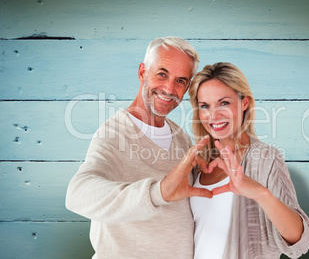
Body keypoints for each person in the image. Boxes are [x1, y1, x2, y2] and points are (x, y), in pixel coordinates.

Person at [65, 36, 213, 259]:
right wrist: (158, 191)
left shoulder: (181, 138)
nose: (169, 88)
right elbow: (77, 194)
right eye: (162, 74)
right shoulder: (114, 134)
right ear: (142, 72)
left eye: (181, 81)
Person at [189, 62, 309, 259]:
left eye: (224, 103)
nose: (213, 115)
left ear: (244, 102)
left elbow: (300, 241)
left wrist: (260, 193)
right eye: (205, 106)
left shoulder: (265, 158)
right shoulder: (199, 166)